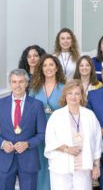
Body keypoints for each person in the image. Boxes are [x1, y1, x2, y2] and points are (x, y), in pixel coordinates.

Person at [44, 80, 103, 190]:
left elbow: (97, 143)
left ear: (81, 96)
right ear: (65, 96)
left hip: (83, 168)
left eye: (77, 93)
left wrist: (96, 166)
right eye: (70, 93)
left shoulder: (89, 115)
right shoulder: (56, 116)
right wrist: (67, 149)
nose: (73, 97)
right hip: (61, 168)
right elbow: (50, 141)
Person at [0, 69, 46, 190]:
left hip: (29, 160)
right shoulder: (1, 104)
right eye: (14, 82)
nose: (17, 85)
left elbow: (42, 133)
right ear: (10, 83)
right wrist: (2, 143)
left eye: (21, 82)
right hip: (5, 160)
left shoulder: (37, 105)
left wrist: (27, 143)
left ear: (26, 83)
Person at [29, 54, 66, 190]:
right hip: (38, 133)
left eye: (51, 64)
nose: (48, 68)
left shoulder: (64, 88)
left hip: (58, 134)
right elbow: (29, 111)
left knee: (56, 166)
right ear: (41, 69)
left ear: (57, 68)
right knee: (41, 167)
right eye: (44, 65)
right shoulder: (35, 88)